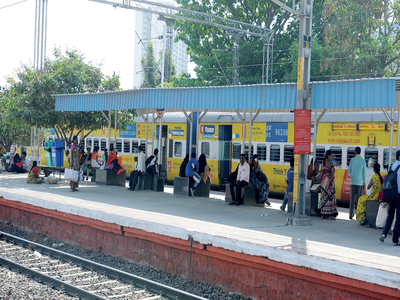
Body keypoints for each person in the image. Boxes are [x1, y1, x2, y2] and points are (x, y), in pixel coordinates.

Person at [380, 149, 400, 246]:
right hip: (399, 195)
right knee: (399, 218)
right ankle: (395, 239)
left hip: (392, 195)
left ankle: (384, 233)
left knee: (390, 215)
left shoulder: (392, 166)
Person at [348, 147, 367, 219]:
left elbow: (349, 171)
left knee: (352, 199)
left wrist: (353, 173)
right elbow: (364, 173)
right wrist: (364, 183)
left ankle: (350, 215)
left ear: (355, 152)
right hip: (360, 183)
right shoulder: (363, 160)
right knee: (359, 201)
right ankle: (358, 215)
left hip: (352, 182)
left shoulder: (352, 160)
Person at [320, 150, 338, 220]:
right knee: (330, 197)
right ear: (328, 156)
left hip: (323, 182)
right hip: (329, 183)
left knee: (324, 197)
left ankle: (324, 214)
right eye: (331, 155)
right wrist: (331, 175)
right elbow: (332, 170)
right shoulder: (330, 162)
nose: (331, 157)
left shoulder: (323, 162)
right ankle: (330, 214)